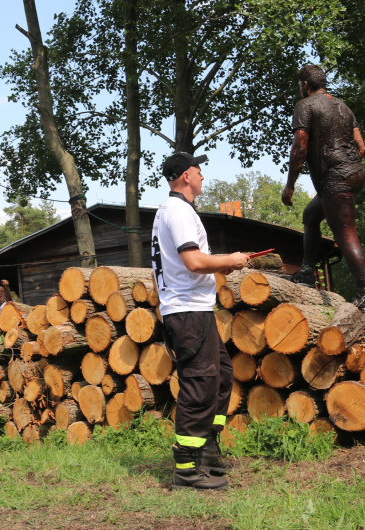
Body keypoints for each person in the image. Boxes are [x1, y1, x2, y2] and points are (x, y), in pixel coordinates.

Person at [151, 151, 249, 490]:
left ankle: (206, 447)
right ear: (184, 177)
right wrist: (231, 258)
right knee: (199, 383)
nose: (203, 176)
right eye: (198, 171)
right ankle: (185, 469)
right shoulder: (177, 211)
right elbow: (193, 262)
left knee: (221, 375)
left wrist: (224, 265)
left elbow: (192, 263)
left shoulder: (179, 211)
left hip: (194, 308)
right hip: (187, 310)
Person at [281, 63, 365, 313]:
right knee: (311, 215)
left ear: (305, 85)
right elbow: (361, 146)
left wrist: (290, 185)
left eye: (299, 84)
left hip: (336, 179)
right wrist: (348, 166)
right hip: (353, 174)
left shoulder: (304, 106)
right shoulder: (343, 106)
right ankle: (306, 272)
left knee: (345, 233)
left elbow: (299, 148)